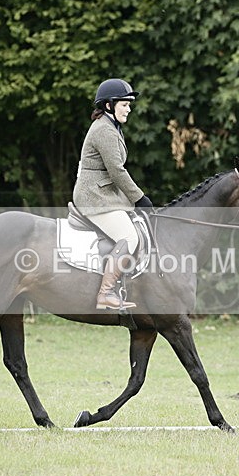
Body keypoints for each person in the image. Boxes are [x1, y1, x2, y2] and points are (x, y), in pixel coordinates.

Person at [73, 78, 153, 310]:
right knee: (129, 238)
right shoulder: (104, 130)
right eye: (124, 104)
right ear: (109, 105)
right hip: (94, 198)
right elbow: (116, 171)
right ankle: (105, 293)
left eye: (129, 105)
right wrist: (139, 198)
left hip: (104, 194)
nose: (129, 109)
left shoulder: (110, 127)